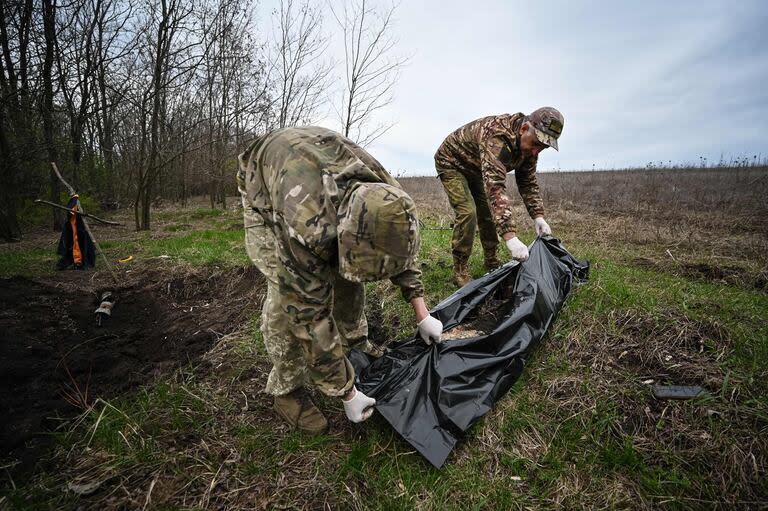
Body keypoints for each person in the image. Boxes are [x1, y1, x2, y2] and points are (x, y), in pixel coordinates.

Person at [237, 126, 443, 434]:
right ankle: (286, 389)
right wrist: (344, 391)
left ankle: (353, 342)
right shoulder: (305, 223)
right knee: (284, 300)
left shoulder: (389, 196)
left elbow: (399, 251)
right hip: (266, 185)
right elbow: (307, 312)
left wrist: (422, 313)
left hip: (315, 168)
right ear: (344, 233)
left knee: (348, 275)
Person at [434, 107, 563, 286]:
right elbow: (495, 187)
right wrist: (510, 237)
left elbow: (527, 182)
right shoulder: (497, 136)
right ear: (524, 129)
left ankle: (491, 259)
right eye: (535, 144)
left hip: (476, 168)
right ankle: (460, 269)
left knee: (486, 213)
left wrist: (538, 216)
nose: (536, 152)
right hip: (452, 163)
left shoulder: (530, 149)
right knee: (468, 212)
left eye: (542, 148)